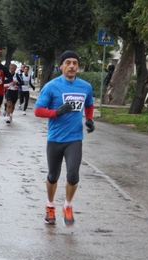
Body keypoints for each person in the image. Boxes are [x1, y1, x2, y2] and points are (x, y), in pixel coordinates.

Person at [34, 50, 95, 227]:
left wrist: (89, 120)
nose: (71, 66)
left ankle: (68, 205)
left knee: (73, 174)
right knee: (53, 175)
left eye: (75, 63)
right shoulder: (52, 86)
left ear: (78, 67)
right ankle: (50, 205)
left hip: (74, 138)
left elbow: (89, 105)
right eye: (67, 62)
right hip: (55, 139)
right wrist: (56, 112)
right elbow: (38, 110)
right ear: (61, 66)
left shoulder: (85, 87)